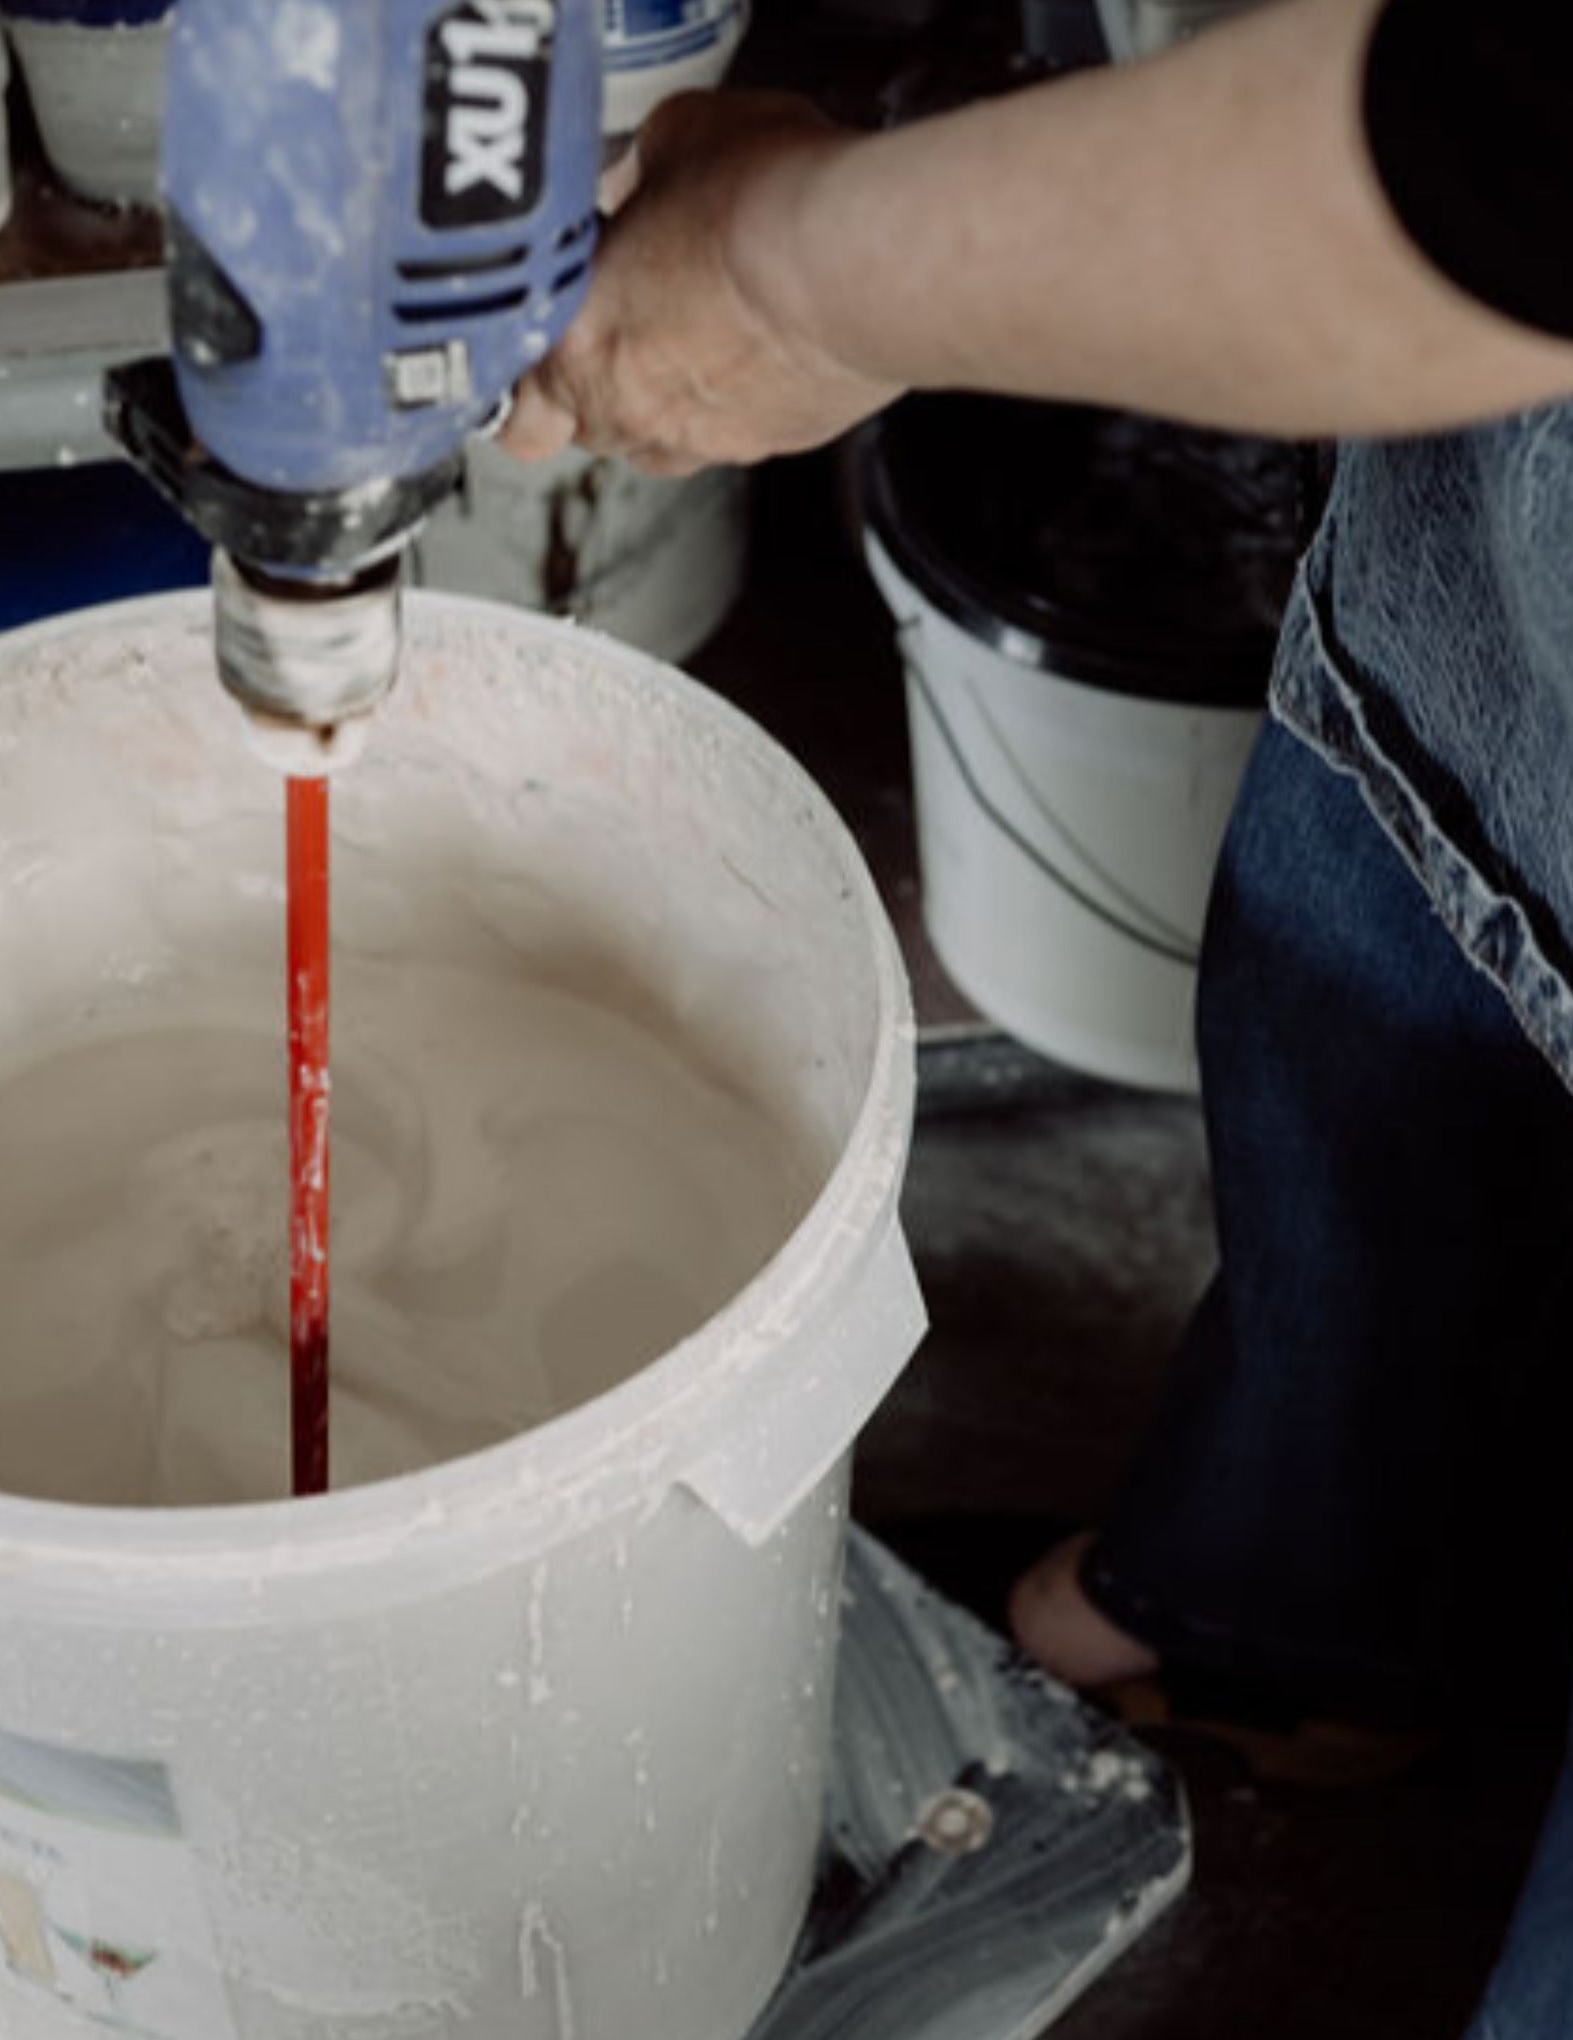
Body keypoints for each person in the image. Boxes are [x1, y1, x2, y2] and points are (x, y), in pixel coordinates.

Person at [504, 2, 1573, 2032]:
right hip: (1514, 494)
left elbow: (1496, 155)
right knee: (1370, 977)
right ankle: (1284, 1616)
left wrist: (782, 271)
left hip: (1486, 236)